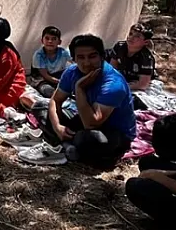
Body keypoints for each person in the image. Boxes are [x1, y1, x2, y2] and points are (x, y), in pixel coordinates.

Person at [45, 34, 136, 169]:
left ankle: (64, 144)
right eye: (81, 57)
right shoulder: (72, 72)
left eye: (92, 56)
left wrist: (79, 88)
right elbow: (55, 100)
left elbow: (91, 123)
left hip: (114, 131)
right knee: (43, 108)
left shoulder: (113, 83)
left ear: (102, 56)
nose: (87, 63)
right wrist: (58, 127)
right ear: (73, 59)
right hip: (84, 118)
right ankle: (67, 144)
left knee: (90, 139)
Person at [109, 23, 156, 92]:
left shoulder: (146, 57)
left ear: (145, 42)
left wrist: (121, 87)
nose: (131, 37)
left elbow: (143, 84)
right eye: (130, 34)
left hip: (137, 85)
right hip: (122, 80)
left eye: (137, 36)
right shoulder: (119, 47)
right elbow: (112, 69)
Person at [32, 25, 71, 98]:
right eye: (47, 38)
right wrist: (61, 82)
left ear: (59, 42)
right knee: (48, 90)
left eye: (54, 39)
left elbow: (76, 61)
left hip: (59, 77)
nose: (50, 41)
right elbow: (45, 75)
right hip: (43, 79)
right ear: (42, 41)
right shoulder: (38, 55)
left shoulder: (63, 52)